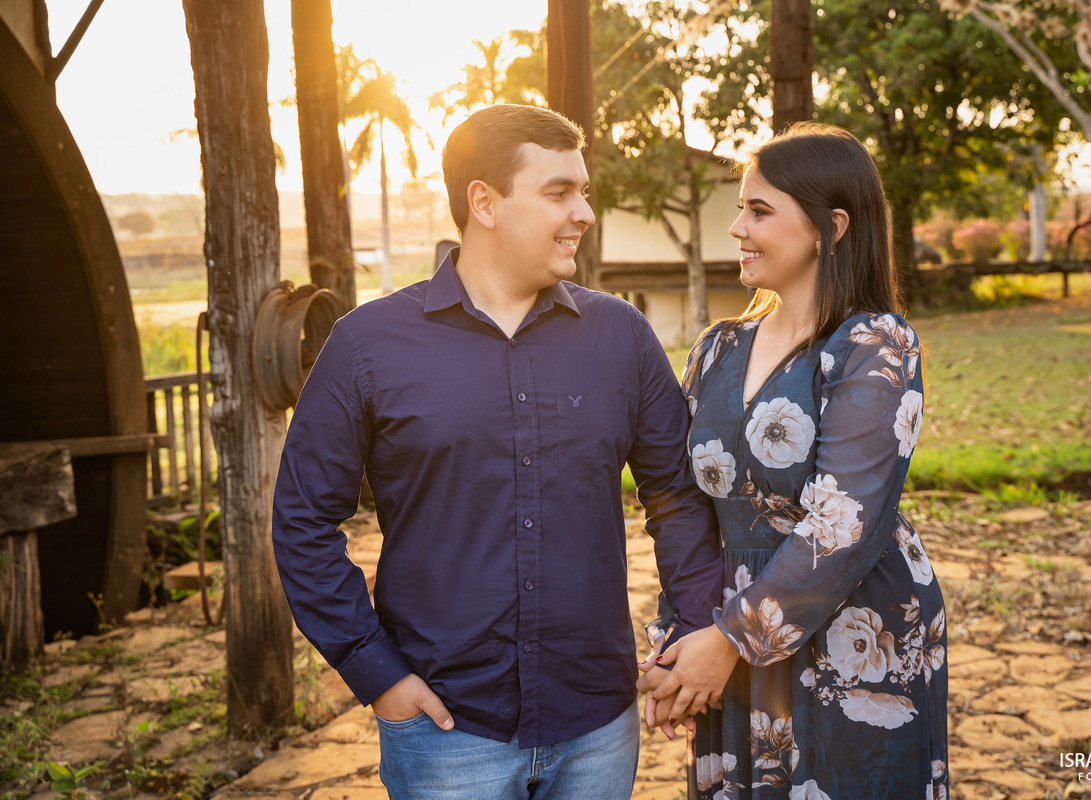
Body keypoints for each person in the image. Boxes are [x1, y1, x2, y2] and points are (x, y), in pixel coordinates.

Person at [271, 104, 724, 800]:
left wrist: (695, 627)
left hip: (599, 725)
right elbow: (303, 522)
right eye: (558, 192)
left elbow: (677, 495)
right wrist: (378, 675)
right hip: (447, 734)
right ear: (483, 201)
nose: (584, 212)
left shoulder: (621, 337)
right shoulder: (367, 346)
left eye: (584, 191)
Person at [636, 122, 949, 799]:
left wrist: (723, 642)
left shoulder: (875, 344)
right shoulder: (716, 348)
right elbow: (684, 507)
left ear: (829, 227)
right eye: (740, 208)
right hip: (727, 624)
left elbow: (843, 524)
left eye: (759, 210)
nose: (736, 228)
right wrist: (679, 640)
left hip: (854, 628)